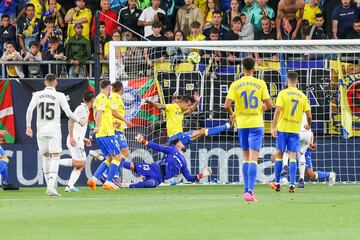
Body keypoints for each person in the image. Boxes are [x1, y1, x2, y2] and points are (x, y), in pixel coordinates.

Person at [25, 73, 85, 196]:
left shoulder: (37, 94)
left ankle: (49, 187)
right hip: (54, 130)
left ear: (45, 82)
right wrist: (79, 120)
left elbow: (30, 110)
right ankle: (51, 187)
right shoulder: (60, 95)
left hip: (40, 130)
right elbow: (68, 113)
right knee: (55, 156)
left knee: (46, 157)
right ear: (56, 82)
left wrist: (28, 127)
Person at [224, 57, 272, 202]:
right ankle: (250, 192)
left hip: (242, 124)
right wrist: (263, 107)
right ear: (254, 69)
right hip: (256, 123)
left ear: (242, 68)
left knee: (245, 157)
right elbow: (269, 104)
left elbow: (226, 104)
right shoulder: (260, 83)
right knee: (253, 159)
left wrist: (233, 115)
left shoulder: (235, 84)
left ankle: (246, 190)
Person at [119, 133, 212, 188]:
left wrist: (202, 175)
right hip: (155, 168)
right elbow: (158, 147)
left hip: (160, 178)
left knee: (150, 184)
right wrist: (143, 141)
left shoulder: (183, 162)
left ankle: (128, 185)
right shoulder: (172, 149)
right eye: (181, 143)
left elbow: (189, 178)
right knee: (131, 165)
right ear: (178, 145)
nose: (183, 144)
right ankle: (114, 161)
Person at [271, 71, 311, 193]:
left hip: (283, 129)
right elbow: (309, 114)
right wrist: (309, 124)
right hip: (295, 130)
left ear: (286, 81)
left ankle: (277, 183)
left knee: (279, 155)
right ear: (297, 82)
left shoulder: (282, 93)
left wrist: (273, 126)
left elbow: (277, 111)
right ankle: (292, 185)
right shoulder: (303, 96)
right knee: (293, 157)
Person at [147, 93, 231, 148]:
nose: (188, 107)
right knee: (201, 131)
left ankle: (226, 126)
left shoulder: (181, 110)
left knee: (202, 131)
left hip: (179, 137)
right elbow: (160, 106)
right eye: (188, 105)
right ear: (184, 102)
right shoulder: (172, 107)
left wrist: (197, 102)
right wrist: (151, 103)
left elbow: (190, 110)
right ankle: (226, 126)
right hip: (175, 137)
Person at [87, 80, 125, 191]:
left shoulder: (99, 98)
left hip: (103, 132)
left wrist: (111, 123)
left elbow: (104, 115)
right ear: (108, 88)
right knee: (117, 157)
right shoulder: (102, 98)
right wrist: (97, 126)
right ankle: (108, 182)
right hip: (106, 133)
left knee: (109, 158)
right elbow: (99, 112)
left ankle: (93, 179)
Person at [58, 91, 94, 192]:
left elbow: (78, 127)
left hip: (79, 139)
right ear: (93, 100)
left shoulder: (86, 110)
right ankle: (54, 162)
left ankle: (70, 186)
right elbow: (71, 121)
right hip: (75, 139)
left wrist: (84, 138)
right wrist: (71, 137)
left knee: (81, 164)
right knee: (80, 163)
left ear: (83, 98)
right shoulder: (81, 109)